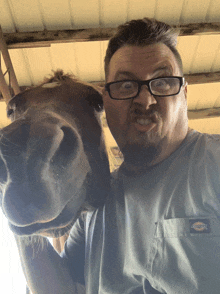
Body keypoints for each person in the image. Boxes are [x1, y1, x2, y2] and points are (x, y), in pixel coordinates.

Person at [16, 18, 220, 294]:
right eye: (125, 86)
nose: (145, 100)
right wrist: (19, 212)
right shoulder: (96, 204)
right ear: (107, 101)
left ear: (184, 94)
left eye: (162, 83)